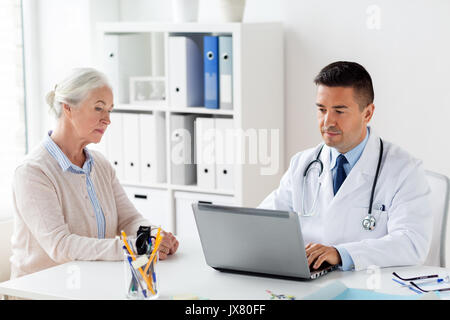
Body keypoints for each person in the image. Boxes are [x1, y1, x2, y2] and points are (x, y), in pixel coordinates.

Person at [258, 61, 432, 271]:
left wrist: (342, 254)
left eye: (339, 111)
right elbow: (264, 223)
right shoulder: (303, 164)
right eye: (322, 110)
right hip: (309, 281)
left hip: (370, 285)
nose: (327, 121)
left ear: (367, 113)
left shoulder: (404, 169)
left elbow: (412, 243)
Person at [11, 68, 179, 279]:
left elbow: (128, 220)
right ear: (68, 108)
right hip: (41, 289)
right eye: (99, 108)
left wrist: (153, 235)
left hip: (91, 282)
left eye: (110, 110)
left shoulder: (100, 164)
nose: (107, 119)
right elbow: (61, 246)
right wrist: (134, 246)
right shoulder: (33, 172)